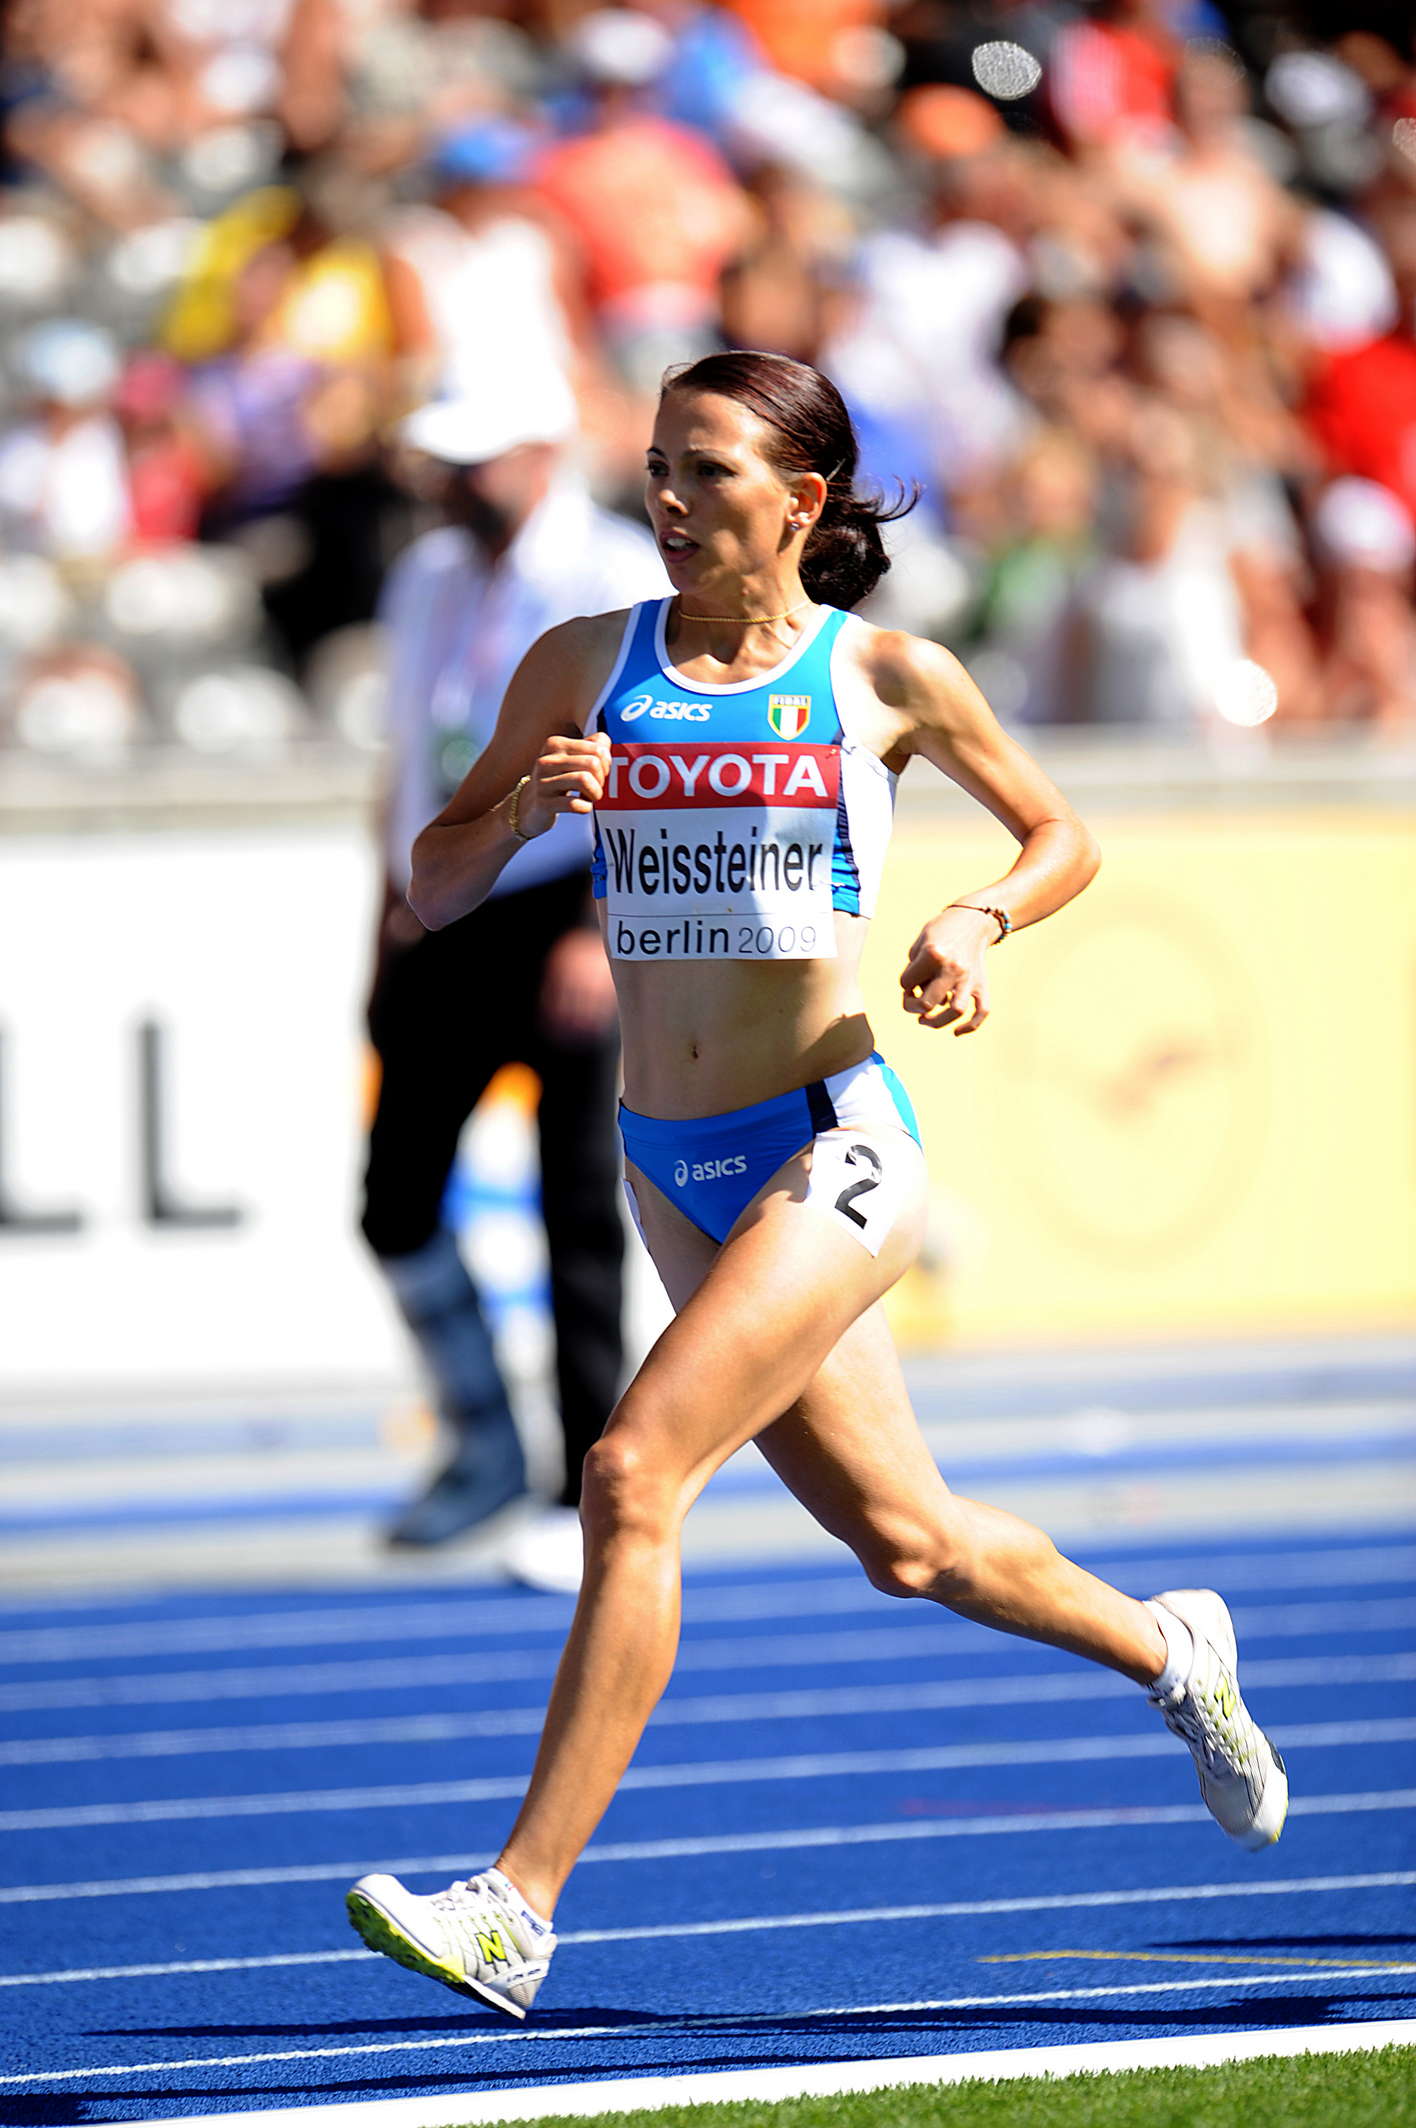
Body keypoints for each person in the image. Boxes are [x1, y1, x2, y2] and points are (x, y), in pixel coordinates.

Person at [347, 350, 1288, 2015]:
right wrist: (516, 815)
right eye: (657, 463)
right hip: (671, 1161)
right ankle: (1172, 1646)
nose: (668, 496)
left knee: (632, 1472)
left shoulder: (886, 676)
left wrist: (973, 918)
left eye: (705, 468)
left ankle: (515, 1906)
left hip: (830, 1139)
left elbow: (1060, 834)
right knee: (911, 1546)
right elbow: (433, 877)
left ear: (798, 499)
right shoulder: (584, 661)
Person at [363, 362, 666, 1585]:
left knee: (577, 1206)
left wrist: (600, 926)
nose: (450, 481)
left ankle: (581, 1485)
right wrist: (386, 909)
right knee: (393, 1196)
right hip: (449, 898)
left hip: (565, 902)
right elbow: (406, 759)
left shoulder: (612, 572)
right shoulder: (426, 575)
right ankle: (484, 1435)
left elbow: (649, 768)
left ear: (542, 454)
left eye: (473, 459)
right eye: (443, 459)